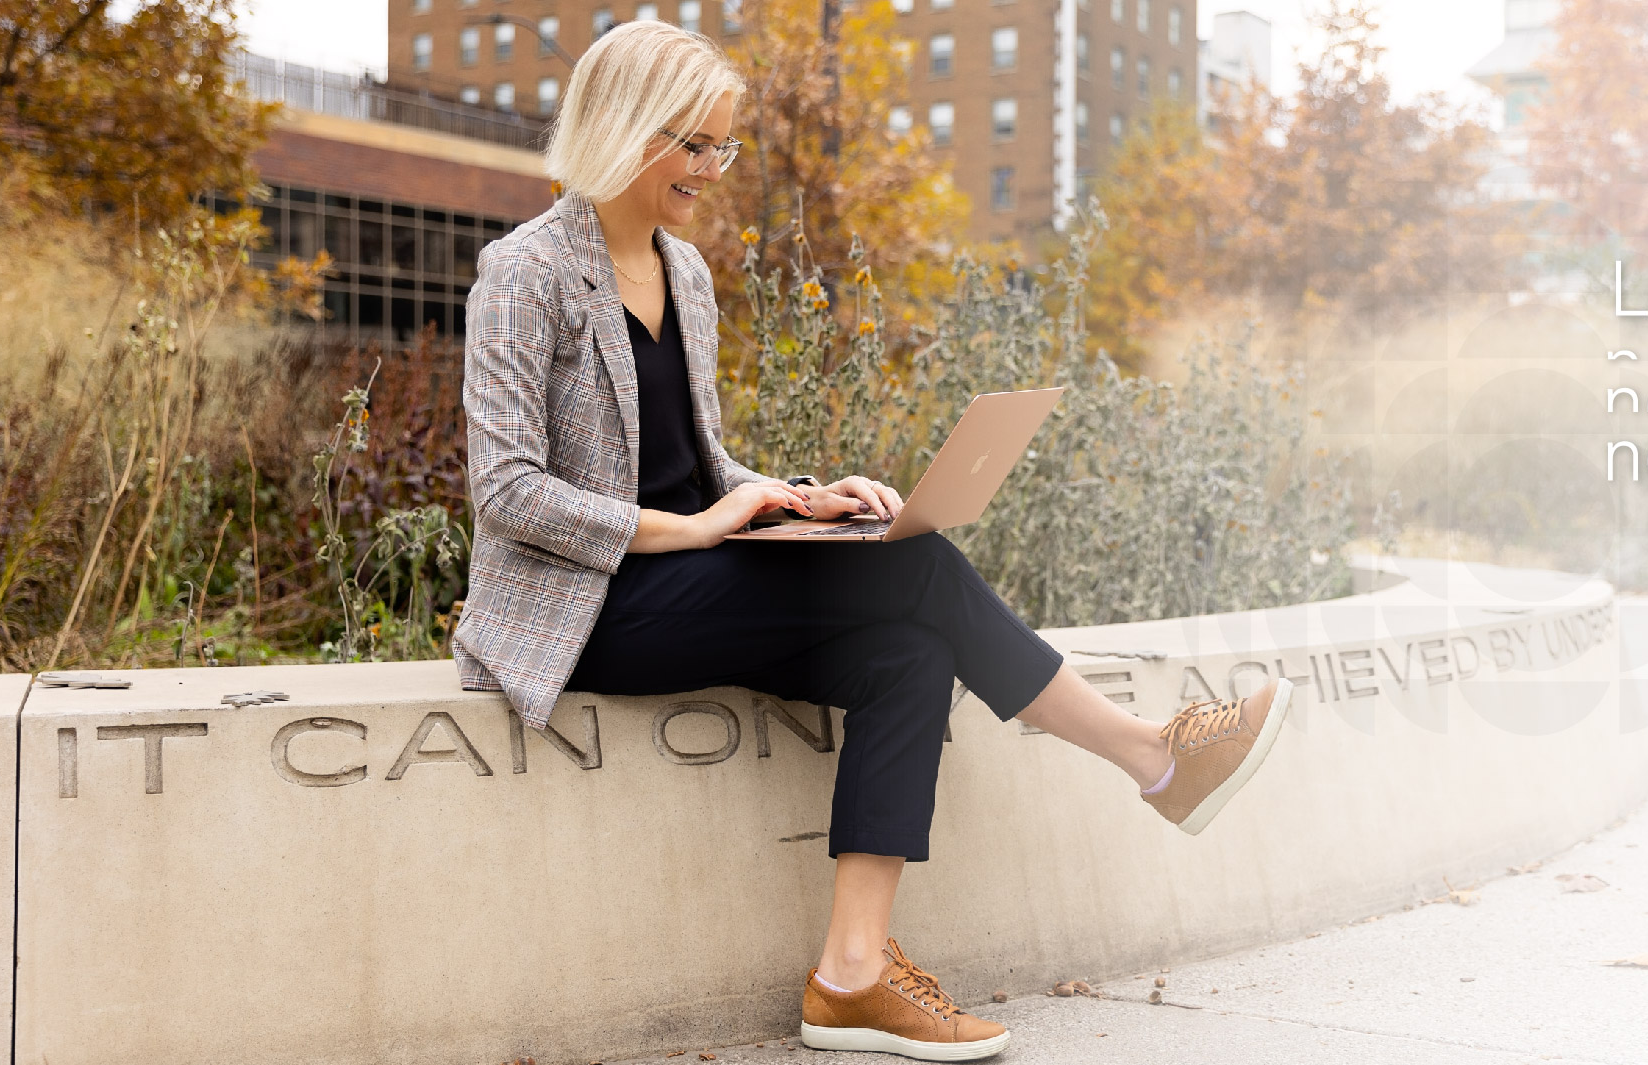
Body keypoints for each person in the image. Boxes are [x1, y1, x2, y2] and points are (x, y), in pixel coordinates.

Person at [451, 20, 1294, 1062]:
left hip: (694, 579)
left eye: (725, 147)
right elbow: (507, 492)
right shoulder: (522, 274)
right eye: (696, 146)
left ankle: (850, 975)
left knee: (909, 651)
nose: (714, 171)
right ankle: (1149, 755)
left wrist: (797, 496)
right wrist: (698, 526)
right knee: (920, 561)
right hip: (590, 609)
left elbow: (698, 460)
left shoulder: (688, 274)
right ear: (626, 129)